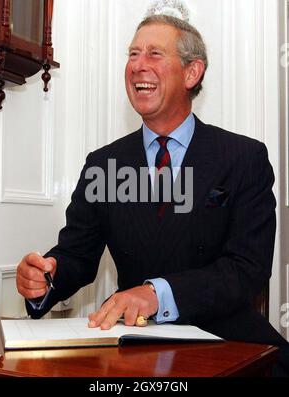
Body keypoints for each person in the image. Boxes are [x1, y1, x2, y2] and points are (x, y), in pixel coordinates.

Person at [16, 14, 289, 375]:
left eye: (154, 54)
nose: (138, 66)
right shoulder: (104, 163)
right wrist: (45, 277)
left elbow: (247, 269)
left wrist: (157, 294)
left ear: (192, 73)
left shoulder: (243, 158)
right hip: (133, 347)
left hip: (228, 341)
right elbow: (76, 255)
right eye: (132, 54)